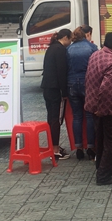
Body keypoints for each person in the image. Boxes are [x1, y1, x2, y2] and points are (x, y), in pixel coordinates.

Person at [85, 32, 112, 186]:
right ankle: (104, 175)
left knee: (101, 139)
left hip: (93, 105)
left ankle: (100, 168)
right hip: (108, 108)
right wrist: (102, 109)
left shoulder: (95, 55)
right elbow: (107, 89)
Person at [67, 25, 98, 161]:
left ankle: (78, 148)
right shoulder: (92, 48)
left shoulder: (68, 49)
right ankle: (91, 147)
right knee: (90, 115)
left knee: (77, 116)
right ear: (87, 35)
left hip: (72, 84)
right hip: (87, 83)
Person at [41, 29, 72, 160]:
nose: (70, 42)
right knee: (56, 119)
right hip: (55, 89)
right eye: (70, 39)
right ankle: (54, 149)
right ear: (65, 37)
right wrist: (65, 92)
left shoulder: (52, 48)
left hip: (47, 87)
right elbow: (61, 73)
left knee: (51, 117)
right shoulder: (60, 50)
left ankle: (53, 146)